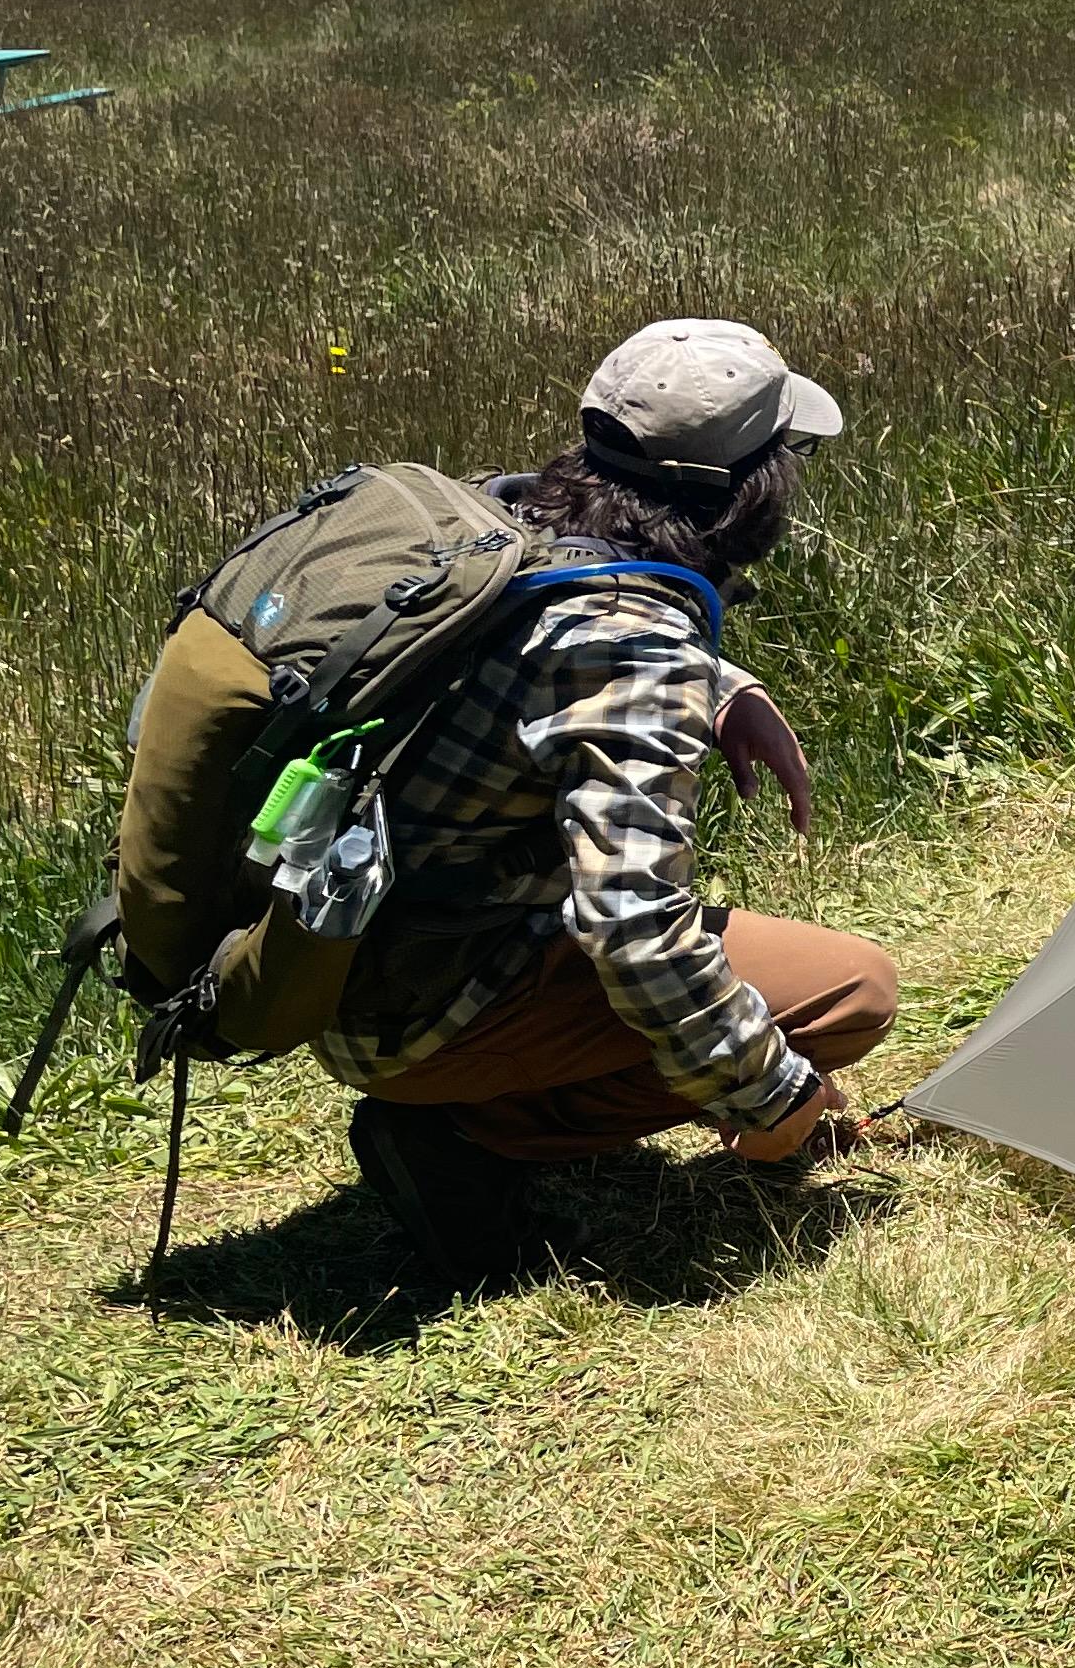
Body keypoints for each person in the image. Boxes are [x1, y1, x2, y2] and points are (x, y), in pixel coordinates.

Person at [323, 317, 898, 1286]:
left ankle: (467, 1099)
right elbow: (633, 928)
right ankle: (471, 1133)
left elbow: (565, 632)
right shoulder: (638, 650)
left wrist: (725, 683)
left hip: (329, 958)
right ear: (748, 492)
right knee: (853, 992)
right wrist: (776, 1100)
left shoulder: (488, 519)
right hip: (420, 1014)